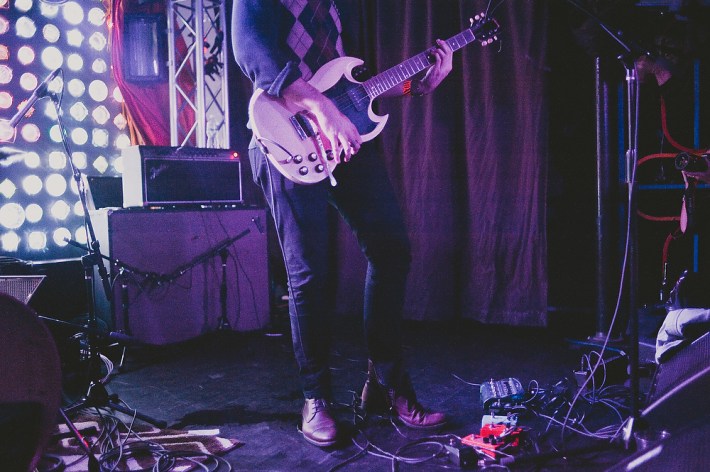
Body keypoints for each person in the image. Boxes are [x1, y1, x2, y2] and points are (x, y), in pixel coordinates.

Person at [232, 0, 451, 447]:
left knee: (391, 250)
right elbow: (249, 46)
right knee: (309, 272)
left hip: (344, 134)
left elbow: (358, 85)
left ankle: (385, 385)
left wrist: (417, 86)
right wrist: (321, 109)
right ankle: (315, 399)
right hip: (284, 135)